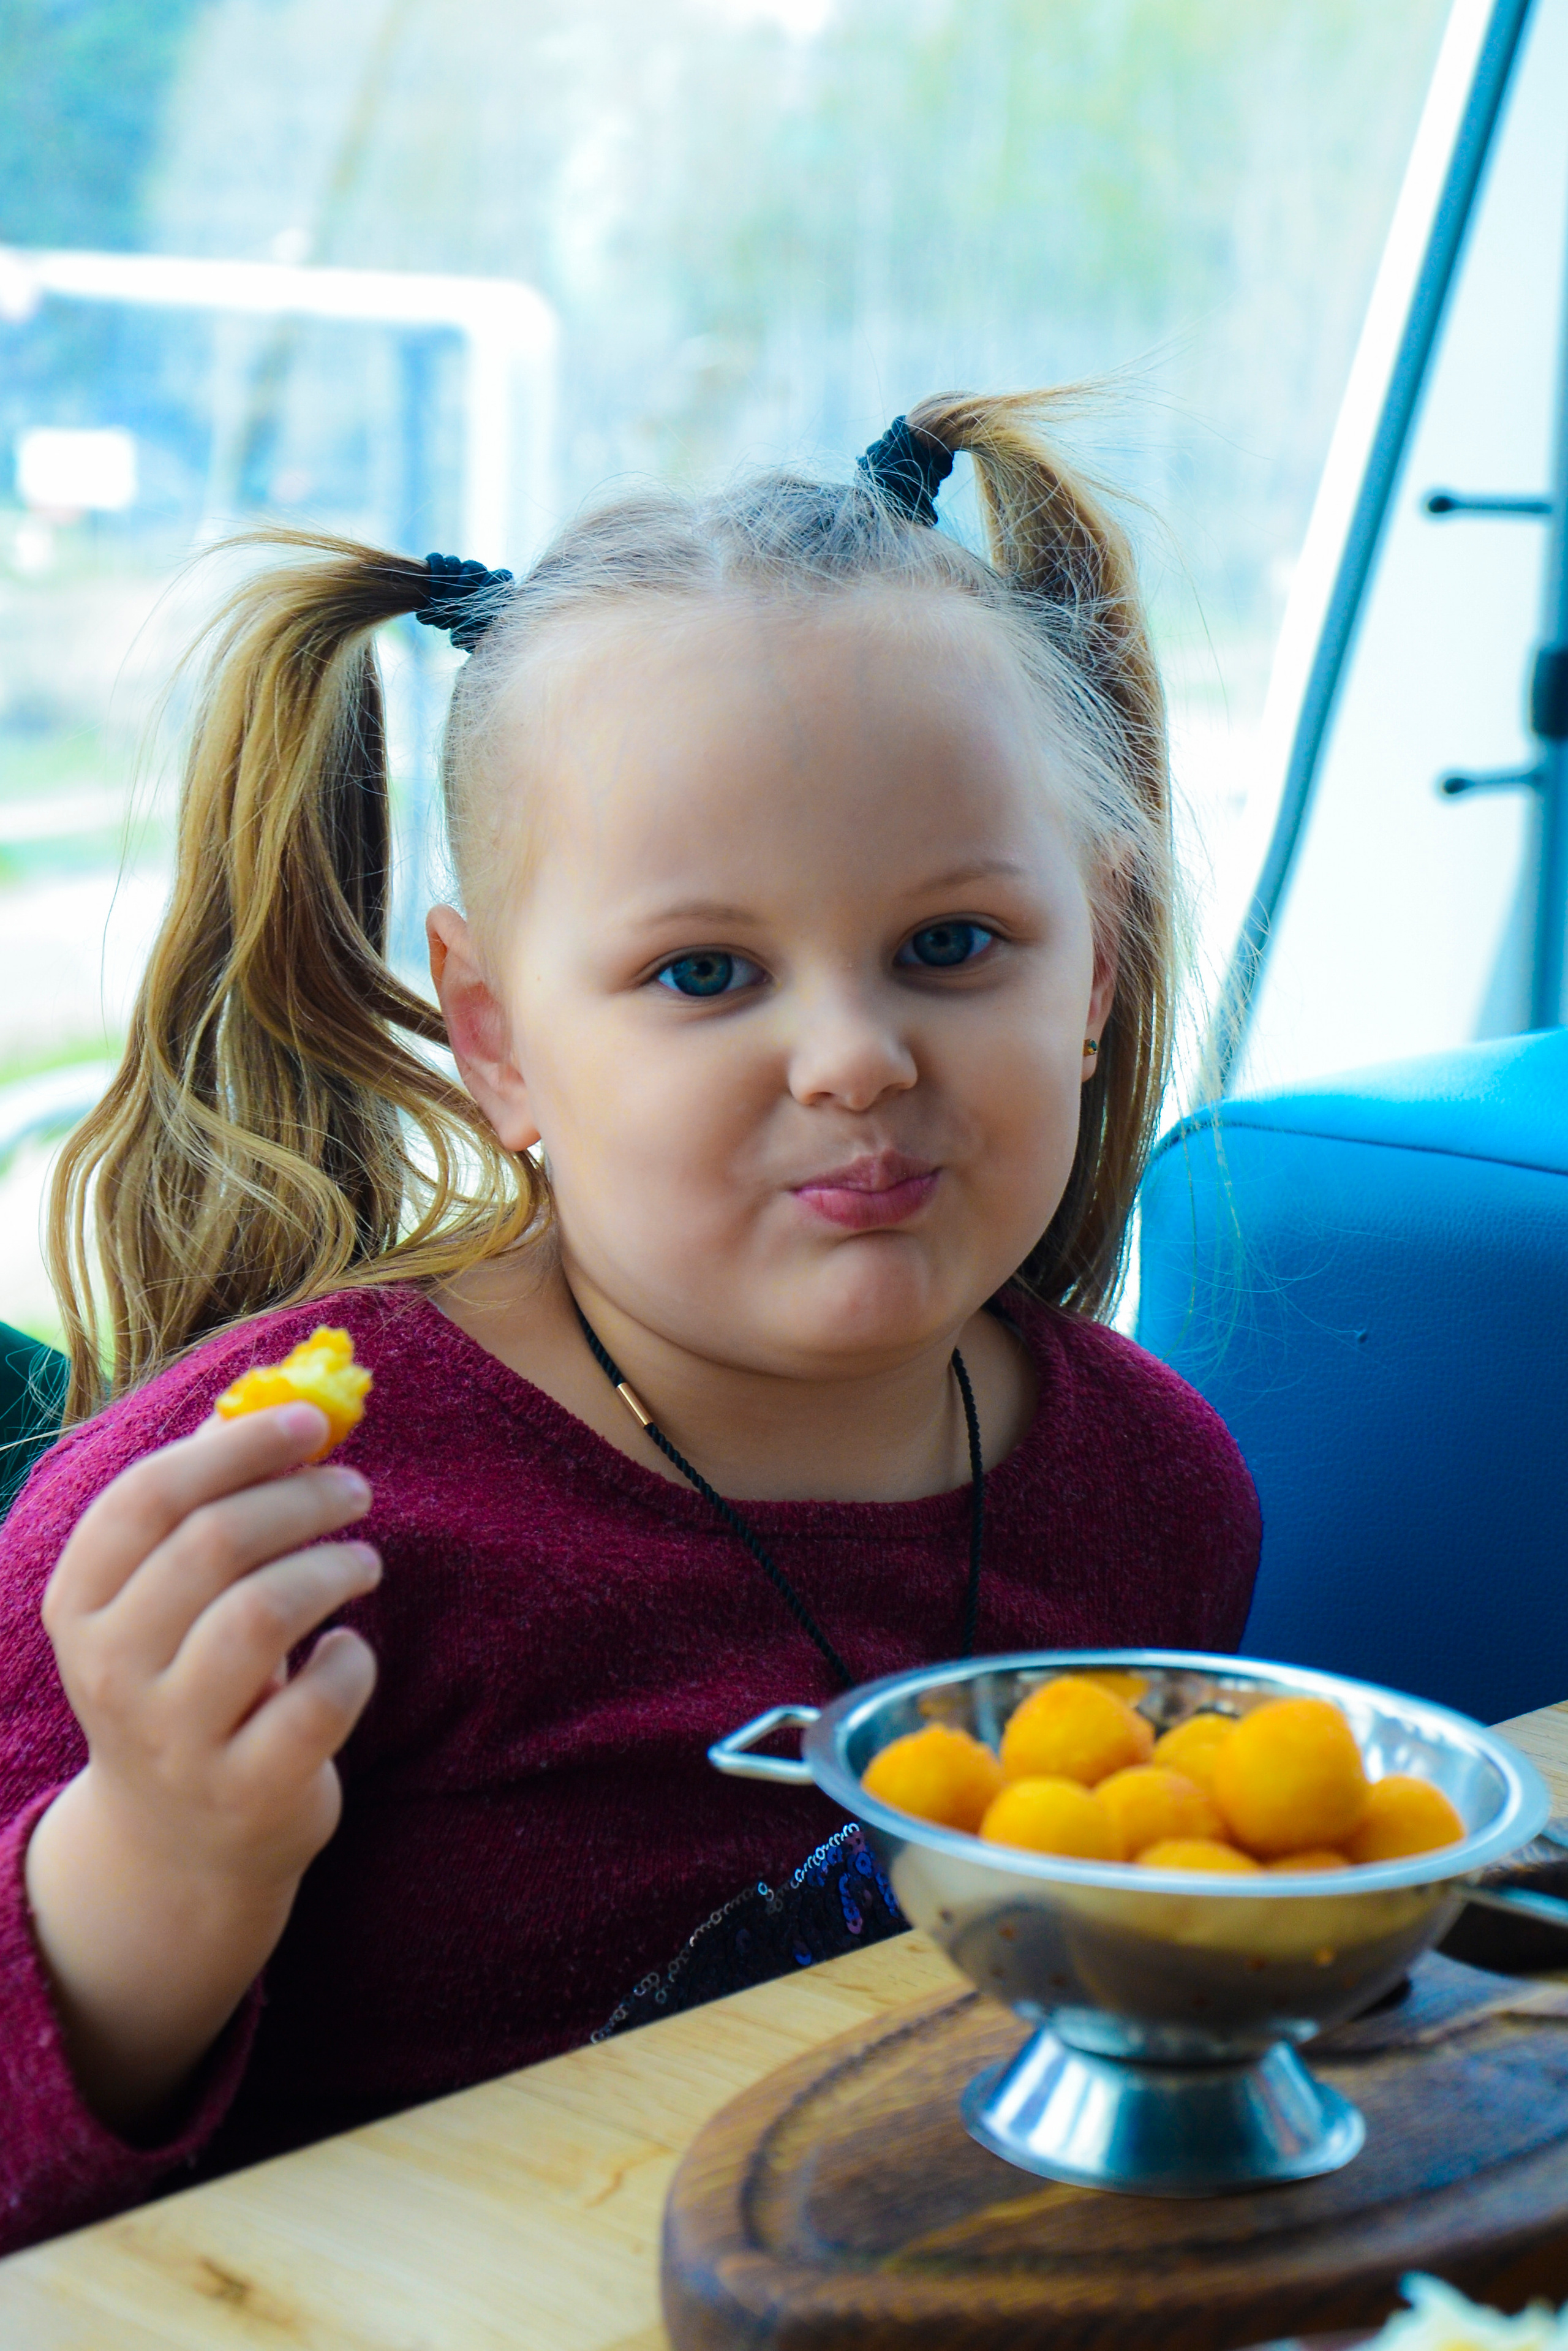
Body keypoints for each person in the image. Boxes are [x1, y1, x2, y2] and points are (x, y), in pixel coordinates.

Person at [0, 393, 1259, 2251]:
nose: (853, 1058)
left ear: (1101, 959)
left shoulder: (1160, 1493)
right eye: (703, 972)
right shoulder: (258, 1525)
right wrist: (163, 1862)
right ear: (497, 1037)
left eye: (952, 944)